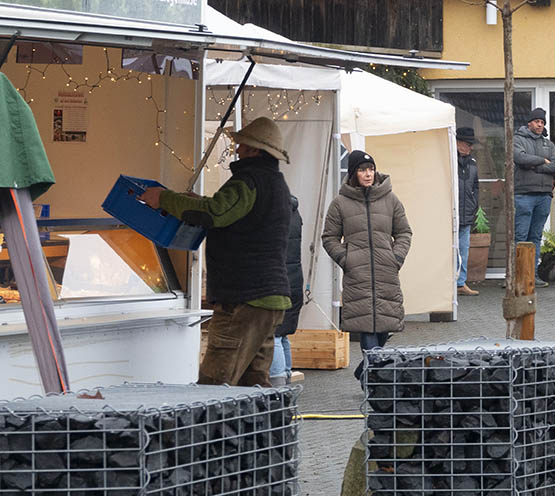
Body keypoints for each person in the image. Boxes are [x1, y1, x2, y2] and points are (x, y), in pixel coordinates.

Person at [139, 116, 292, 387]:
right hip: (269, 299)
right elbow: (225, 210)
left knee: (214, 385)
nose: (238, 149)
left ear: (255, 150)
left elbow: (214, 213)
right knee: (253, 385)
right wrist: (192, 201)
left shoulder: (248, 181)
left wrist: (161, 198)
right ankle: (265, 430)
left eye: (243, 145)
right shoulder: (275, 183)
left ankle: (204, 431)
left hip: (244, 299)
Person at [322, 149, 412, 382]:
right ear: (354, 173)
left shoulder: (390, 199)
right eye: (363, 170)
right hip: (358, 275)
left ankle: (365, 371)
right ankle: (372, 383)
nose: (368, 174)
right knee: (368, 330)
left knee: (383, 329)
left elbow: (404, 232)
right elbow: (329, 237)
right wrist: (346, 259)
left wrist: (396, 258)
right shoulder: (340, 204)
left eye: (371, 169)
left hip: (386, 273)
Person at [513, 108, 555, 287]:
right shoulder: (518, 139)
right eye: (537, 121)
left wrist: (536, 166)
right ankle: (517, 278)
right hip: (524, 195)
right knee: (521, 237)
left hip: (544, 196)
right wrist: (542, 160)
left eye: (542, 122)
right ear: (529, 123)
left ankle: (532, 276)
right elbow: (520, 158)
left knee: (535, 237)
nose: (540, 124)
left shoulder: (548, 144)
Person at [270, 194, 305, 386]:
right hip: (293, 280)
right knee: (282, 335)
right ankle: (287, 376)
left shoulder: (275, 215)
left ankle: (277, 383)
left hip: (277, 282)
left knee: (273, 334)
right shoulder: (294, 213)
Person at [456, 127, 480, 296]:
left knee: (463, 250)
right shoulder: (449, 159)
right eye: (468, 143)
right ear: (458, 143)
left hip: (466, 213)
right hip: (452, 213)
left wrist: (474, 205)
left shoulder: (472, 162)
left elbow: (475, 186)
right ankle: (449, 284)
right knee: (451, 251)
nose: (470, 147)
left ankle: (460, 283)